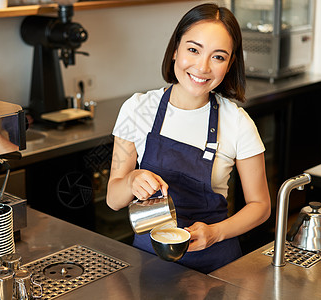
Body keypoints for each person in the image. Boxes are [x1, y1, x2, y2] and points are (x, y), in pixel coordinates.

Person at [107, 3, 271, 274]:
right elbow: (113, 199)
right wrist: (131, 180)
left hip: (215, 267)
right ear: (175, 51)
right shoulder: (137, 109)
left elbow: (261, 206)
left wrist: (215, 233)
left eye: (218, 57)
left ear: (230, 64)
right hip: (147, 263)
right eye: (193, 50)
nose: (202, 67)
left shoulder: (238, 123)